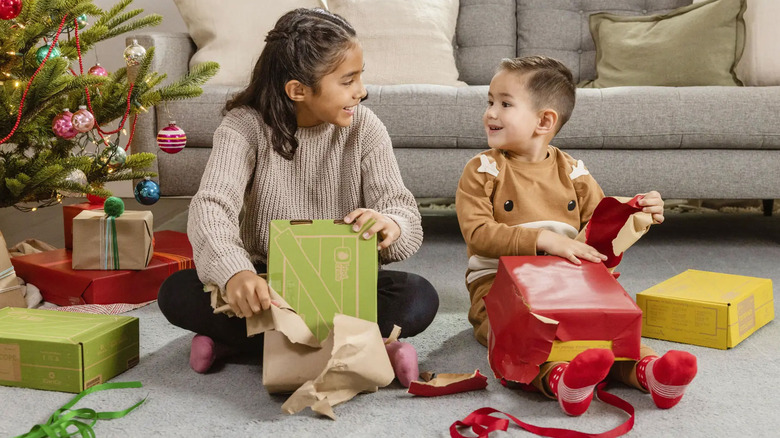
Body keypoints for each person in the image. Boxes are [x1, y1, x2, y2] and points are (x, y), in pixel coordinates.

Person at [157, 8, 438, 387]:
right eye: (348, 80)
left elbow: (400, 208)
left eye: (360, 76)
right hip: (267, 286)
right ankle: (367, 348)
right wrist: (236, 273)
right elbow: (211, 207)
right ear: (298, 90)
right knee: (175, 292)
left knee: (418, 296)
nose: (361, 91)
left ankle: (238, 347)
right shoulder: (243, 127)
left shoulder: (365, 127)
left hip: (341, 285)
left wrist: (391, 225)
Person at [455, 56, 696, 415]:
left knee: (608, 327)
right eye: (490, 101)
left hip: (569, 281)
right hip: (498, 283)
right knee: (519, 334)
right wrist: (544, 240)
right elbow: (478, 234)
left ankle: (651, 372)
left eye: (504, 103)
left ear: (545, 121)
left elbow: (599, 237)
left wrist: (637, 214)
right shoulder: (483, 169)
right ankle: (559, 380)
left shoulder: (574, 172)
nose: (490, 112)